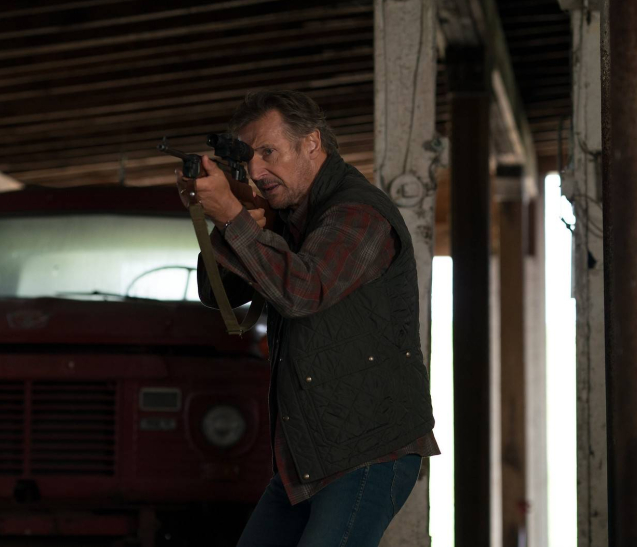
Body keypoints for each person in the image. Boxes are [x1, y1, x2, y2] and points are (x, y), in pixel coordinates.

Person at [175, 90, 439, 547]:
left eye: (268, 152)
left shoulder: (358, 213)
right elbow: (219, 295)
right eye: (249, 158)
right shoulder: (289, 215)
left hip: (367, 451)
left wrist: (234, 217)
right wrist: (227, 218)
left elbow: (304, 290)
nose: (258, 171)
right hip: (308, 455)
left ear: (312, 142)